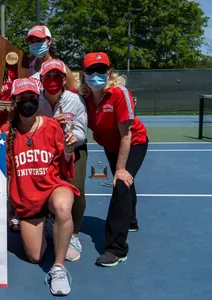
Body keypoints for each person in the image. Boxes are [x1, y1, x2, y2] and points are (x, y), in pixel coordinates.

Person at [0, 77, 78, 296]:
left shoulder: (52, 126)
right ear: (14, 101)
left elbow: (65, 168)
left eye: (32, 97)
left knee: (62, 206)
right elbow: (2, 173)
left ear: (38, 99)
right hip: (28, 201)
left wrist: (69, 151)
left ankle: (59, 268)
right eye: (22, 98)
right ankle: (51, 228)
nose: (28, 101)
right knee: (35, 257)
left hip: (53, 189)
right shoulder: (6, 131)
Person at [79, 52, 148, 267]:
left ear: (109, 73)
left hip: (133, 142)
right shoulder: (82, 96)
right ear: (84, 74)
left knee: (121, 184)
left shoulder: (120, 94)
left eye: (101, 70)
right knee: (126, 183)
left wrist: (120, 169)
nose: (96, 75)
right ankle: (131, 220)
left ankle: (116, 248)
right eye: (91, 70)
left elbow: (126, 135)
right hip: (110, 146)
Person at [37, 59, 88, 262]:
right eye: (48, 76)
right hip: (45, 150)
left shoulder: (74, 101)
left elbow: (82, 132)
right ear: (41, 79)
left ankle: (74, 234)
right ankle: (50, 222)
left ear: (64, 79)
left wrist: (70, 137)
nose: (52, 80)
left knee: (76, 188)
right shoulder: (36, 100)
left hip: (73, 149)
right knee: (43, 186)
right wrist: (50, 125)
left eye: (57, 76)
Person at [25, 25, 75, 92]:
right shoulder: (26, 64)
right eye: (32, 41)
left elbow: (74, 94)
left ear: (49, 41)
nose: (35, 44)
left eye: (39, 40)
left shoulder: (61, 68)